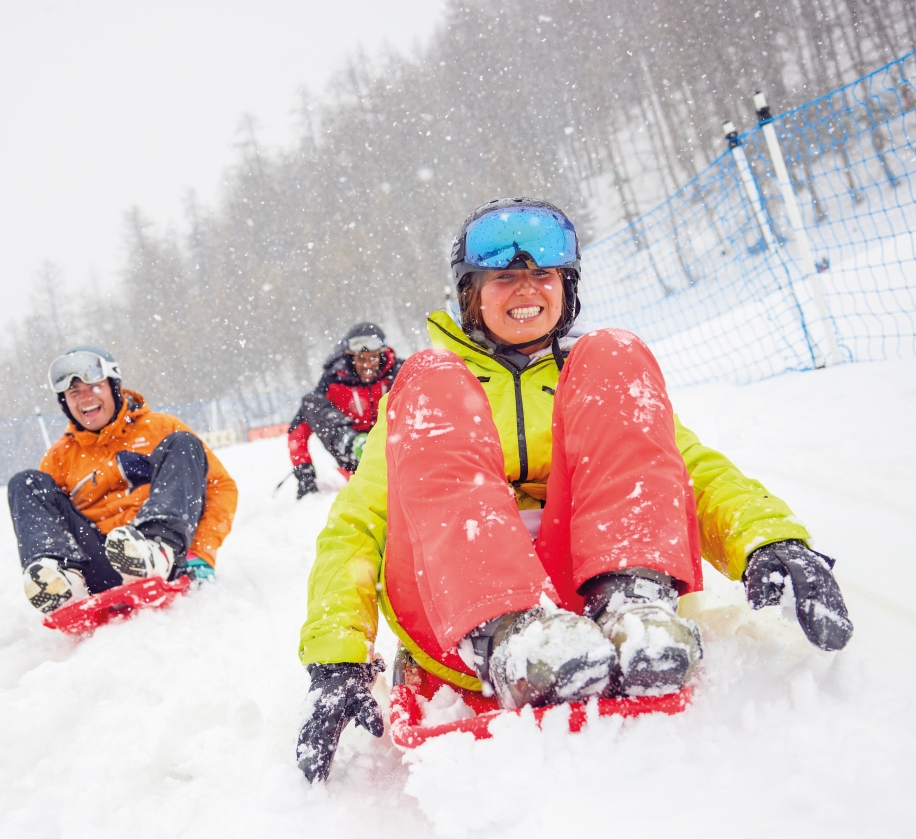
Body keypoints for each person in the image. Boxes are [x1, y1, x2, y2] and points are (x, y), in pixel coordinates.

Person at [294, 198, 854, 782]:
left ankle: (633, 604)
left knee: (616, 351)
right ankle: (511, 634)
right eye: (503, 277)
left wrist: (768, 540)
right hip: (459, 611)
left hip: (585, 590)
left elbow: (682, 466)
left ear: (568, 286)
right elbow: (357, 524)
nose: (526, 289)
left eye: (543, 274)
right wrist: (337, 660)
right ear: (470, 294)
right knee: (427, 378)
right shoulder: (427, 392)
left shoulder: (588, 377)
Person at [7, 345, 239, 613]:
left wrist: (201, 551)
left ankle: (157, 551)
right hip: (96, 564)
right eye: (74, 392)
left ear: (113, 387)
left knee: (183, 443)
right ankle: (64, 580)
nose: (84, 399)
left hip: (159, 556)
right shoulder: (60, 456)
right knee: (26, 483)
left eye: (93, 387)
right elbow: (51, 518)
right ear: (65, 402)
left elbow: (220, 487)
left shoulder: (160, 428)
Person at [286, 322, 403, 498]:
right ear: (351, 357)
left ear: (382, 355)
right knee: (311, 403)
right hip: (353, 458)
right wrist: (304, 475)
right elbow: (297, 433)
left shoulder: (398, 372)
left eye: (372, 358)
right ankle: (358, 448)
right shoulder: (334, 380)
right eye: (361, 359)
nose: (367, 365)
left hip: (396, 448)